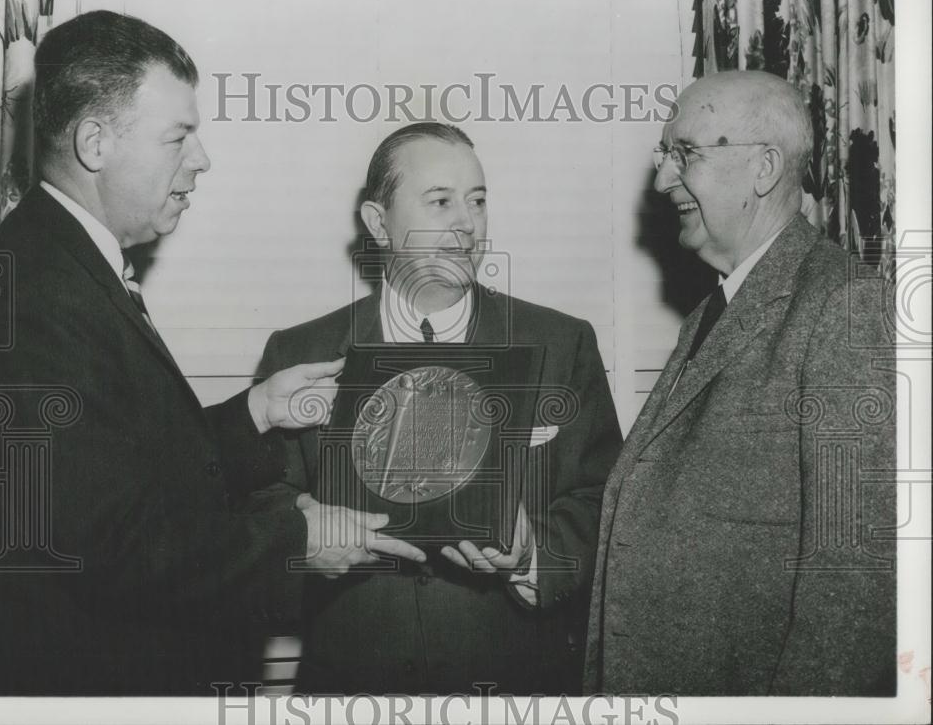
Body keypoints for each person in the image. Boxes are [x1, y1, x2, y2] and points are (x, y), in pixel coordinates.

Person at [0, 10, 412, 696]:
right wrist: (297, 545)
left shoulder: (63, 259)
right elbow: (107, 547)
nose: (201, 160)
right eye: (178, 138)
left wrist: (256, 413)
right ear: (94, 144)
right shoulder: (40, 293)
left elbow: (119, 469)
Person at [256, 122, 623, 694]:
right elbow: (260, 501)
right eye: (440, 201)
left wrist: (533, 554)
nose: (465, 224)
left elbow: (605, 497)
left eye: (477, 201)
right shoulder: (299, 352)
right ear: (379, 223)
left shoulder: (560, 342)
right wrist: (302, 527)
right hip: (355, 685)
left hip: (514, 683)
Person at [582, 70, 896, 696]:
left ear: (764, 168)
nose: (661, 178)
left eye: (685, 154)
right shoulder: (715, 311)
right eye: (664, 155)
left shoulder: (844, 305)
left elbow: (855, 589)